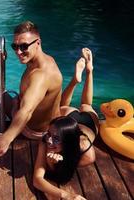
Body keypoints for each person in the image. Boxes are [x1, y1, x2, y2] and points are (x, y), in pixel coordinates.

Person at [0, 21, 63, 162]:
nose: (18, 52)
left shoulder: (41, 75)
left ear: (38, 43)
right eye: (15, 46)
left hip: (33, 131)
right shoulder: (41, 60)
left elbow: (26, 111)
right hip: (29, 114)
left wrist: (6, 138)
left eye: (24, 46)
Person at [33, 48, 97, 200]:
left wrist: (53, 165)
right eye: (49, 135)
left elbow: (61, 172)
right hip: (68, 120)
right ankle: (81, 76)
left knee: (85, 105)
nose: (48, 140)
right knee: (84, 104)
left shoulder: (87, 153)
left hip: (85, 124)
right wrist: (66, 195)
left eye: (55, 139)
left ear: (67, 142)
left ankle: (87, 72)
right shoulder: (46, 141)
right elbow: (38, 179)